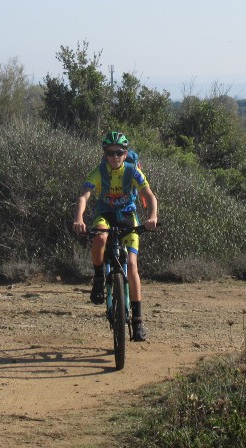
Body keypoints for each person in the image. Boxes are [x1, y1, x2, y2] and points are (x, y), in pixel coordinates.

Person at [72, 130, 158, 341]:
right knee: (100, 237)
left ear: (126, 153)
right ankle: (99, 276)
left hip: (128, 215)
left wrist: (152, 216)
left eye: (119, 152)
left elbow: (149, 195)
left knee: (132, 266)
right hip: (105, 214)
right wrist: (79, 219)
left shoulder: (133, 171)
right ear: (105, 154)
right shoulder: (98, 171)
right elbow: (84, 196)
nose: (115, 157)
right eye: (110, 153)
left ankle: (138, 321)